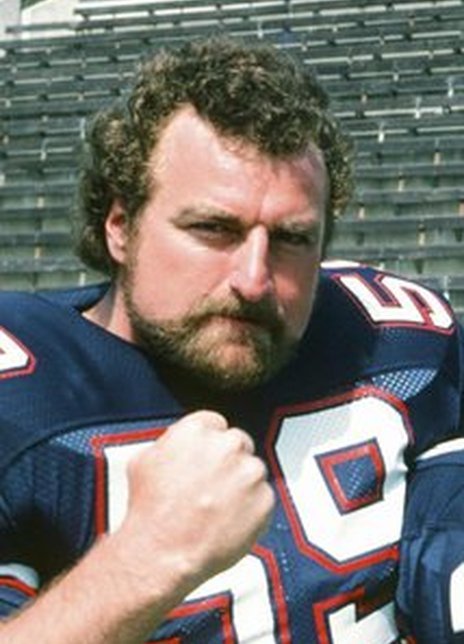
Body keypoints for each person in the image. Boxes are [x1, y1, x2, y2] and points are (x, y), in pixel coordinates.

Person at [0, 35, 462, 643]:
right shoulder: (19, 387)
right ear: (120, 226)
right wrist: (144, 561)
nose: (253, 280)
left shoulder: (399, 343)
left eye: (291, 239)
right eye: (213, 229)